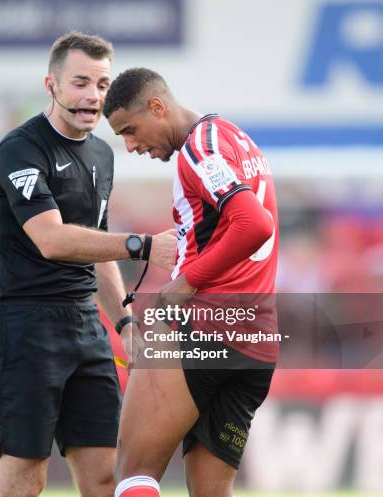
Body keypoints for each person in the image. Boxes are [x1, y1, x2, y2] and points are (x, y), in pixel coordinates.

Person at [0, 33, 177, 497]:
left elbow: (97, 246)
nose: (93, 96)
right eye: (81, 82)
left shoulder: (103, 154)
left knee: (104, 478)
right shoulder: (20, 150)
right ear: (52, 84)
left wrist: (125, 321)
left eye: (103, 84)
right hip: (24, 328)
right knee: (24, 483)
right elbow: (52, 240)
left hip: (86, 329)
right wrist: (142, 245)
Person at [103, 68, 278, 497]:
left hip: (201, 327)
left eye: (130, 129)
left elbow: (255, 224)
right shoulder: (234, 138)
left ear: (158, 108)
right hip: (255, 342)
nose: (130, 146)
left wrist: (182, 286)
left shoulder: (199, 148)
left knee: (132, 474)